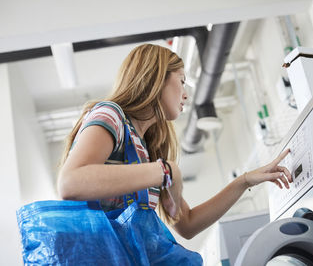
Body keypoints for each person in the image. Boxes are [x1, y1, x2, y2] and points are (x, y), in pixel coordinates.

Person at [57, 43, 292, 262]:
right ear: (157, 79)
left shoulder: (142, 150)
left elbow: (187, 224)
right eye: (182, 81)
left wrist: (245, 180)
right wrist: (165, 171)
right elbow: (70, 183)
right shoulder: (111, 115)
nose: (186, 94)